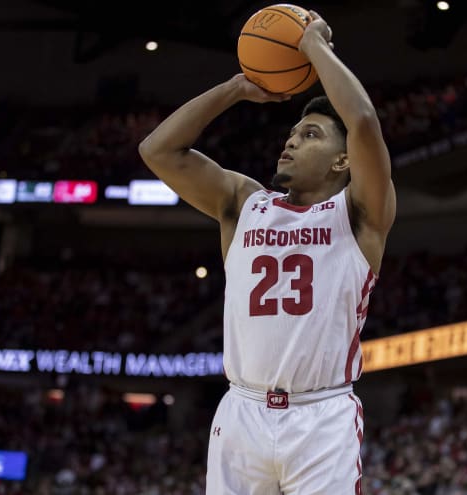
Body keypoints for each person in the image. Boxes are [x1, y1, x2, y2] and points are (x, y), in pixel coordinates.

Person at [139, 10, 396, 494]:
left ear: (344, 160)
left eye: (311, 136)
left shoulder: (359, 213)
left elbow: (362, 121)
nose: (291, 143)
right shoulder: (243, 203)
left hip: (322, 416)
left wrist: (313, 46)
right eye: (292, 135)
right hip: (242, 412)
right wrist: (236, 87)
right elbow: (159, 151)